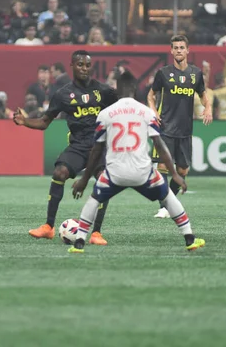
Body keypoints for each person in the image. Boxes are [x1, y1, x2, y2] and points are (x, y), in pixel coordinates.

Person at [69, 71, 205, 253]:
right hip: (142, 173)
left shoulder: (105, 114)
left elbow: (96, 150)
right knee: (167, 196)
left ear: (117, 88)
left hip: (114, 173)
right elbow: (160, 144)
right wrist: (174, 175)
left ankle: (79, 243)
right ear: (135, 88)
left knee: (93, 199)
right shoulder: (146, 112)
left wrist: (84, 180)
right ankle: (189, 238)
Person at [13, 50, 118, 245]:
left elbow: (122, 106)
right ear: (72, 65)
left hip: (100, 146)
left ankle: (96, 233)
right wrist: (25, 121)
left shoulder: (103, 91)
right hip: (78, 146)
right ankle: (48, 227)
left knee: (104, 180)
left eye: (87, 65)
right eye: (80, 65)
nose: (84, 68)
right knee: (59, 173)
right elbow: (45, 122)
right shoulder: (63, 94)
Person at [148, 35, 213, 219]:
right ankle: (165, 206)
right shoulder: (163, 73)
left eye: (181, 47)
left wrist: (208, 107)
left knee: (183, 170)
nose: (178, 50)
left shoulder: (196, 73)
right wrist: (153, 111)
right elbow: (150, 95)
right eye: (175, 47)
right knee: (162, 167)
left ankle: (168, 203)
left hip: (185, 130)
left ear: (187, 50)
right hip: (166, 127)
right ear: (171, 51)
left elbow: (203, 94)